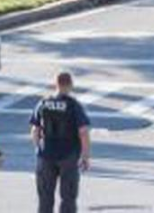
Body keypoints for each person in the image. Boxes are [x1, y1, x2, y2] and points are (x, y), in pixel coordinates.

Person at [30, 72, 91, 213]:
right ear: (70, 85)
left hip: (46, 155)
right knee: (68, 198)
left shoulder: (43, 103)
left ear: (56, 84)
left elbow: (35, 130)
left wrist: (39, 149)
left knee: (45, 198)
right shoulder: (73, 105)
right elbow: (83, 132)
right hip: (68, 155)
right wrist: (85, 156)